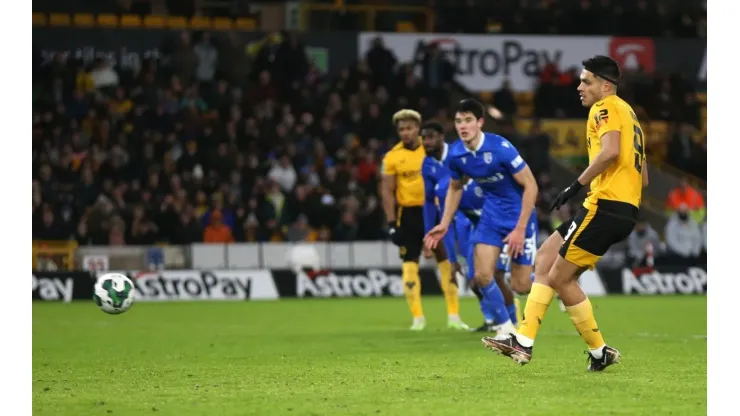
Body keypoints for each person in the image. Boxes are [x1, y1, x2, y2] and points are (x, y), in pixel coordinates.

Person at [482, 55, 649, 371]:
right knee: (545, 259)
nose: (579, 87)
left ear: (605, 85)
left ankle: (593, 351)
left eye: (587, 81)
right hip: (618, 206)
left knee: (560, 276)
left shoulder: (606, 108)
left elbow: (611, 152)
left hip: (605, 205)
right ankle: (526, 343)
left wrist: (576, 184)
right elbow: (644, 174)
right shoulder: (630, 115)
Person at [424, 99, 539, 337]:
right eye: (458, 121)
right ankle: (506, 329)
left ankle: (552, 279)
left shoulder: (500, 148)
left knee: (521, 286)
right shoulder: (456, 154)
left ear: (480, 123)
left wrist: (519, 228)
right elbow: (455, 188)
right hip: (491, 217)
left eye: (468, 121)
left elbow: (531, 185)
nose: (462, 126)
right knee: (482, 275)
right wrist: (444, 224)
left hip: (520, 217)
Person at [380, 109, 466, 331]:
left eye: (409, 128)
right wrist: (391, 224)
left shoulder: (430, 149)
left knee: (445, 262)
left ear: (418, 128)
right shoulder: (392, 157)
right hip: (408, 216)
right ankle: (418, 318)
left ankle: (454, 316)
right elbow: (387, 191)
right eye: (401, 129)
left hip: (436, 211)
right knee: (409, 266)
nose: (406, 133)